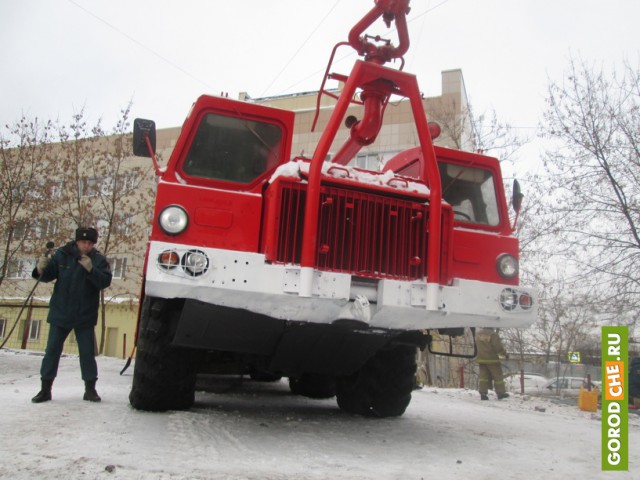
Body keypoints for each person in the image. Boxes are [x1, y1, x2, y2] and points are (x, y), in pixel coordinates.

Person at [31, 227, 112, 403]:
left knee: (87, 354)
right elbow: (46, 276)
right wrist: (40, 269)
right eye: (83, 242)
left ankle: (90, 389)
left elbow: (105, 282)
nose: (86, 246)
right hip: (61, 312)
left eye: (90, 243)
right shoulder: (62, 255)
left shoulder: (98, 260)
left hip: (85, 315)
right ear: (76, 241)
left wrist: (91, 270)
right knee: (52, 351)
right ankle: (45, 389)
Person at [475, 327, 509, 400]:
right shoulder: (493, 334)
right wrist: (504, 354)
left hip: (481, 359)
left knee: (483, 377)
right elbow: (498, 347)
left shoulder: (478, 334)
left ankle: (483, 393)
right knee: (498, 376)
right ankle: (500, 393)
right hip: (492, 359)